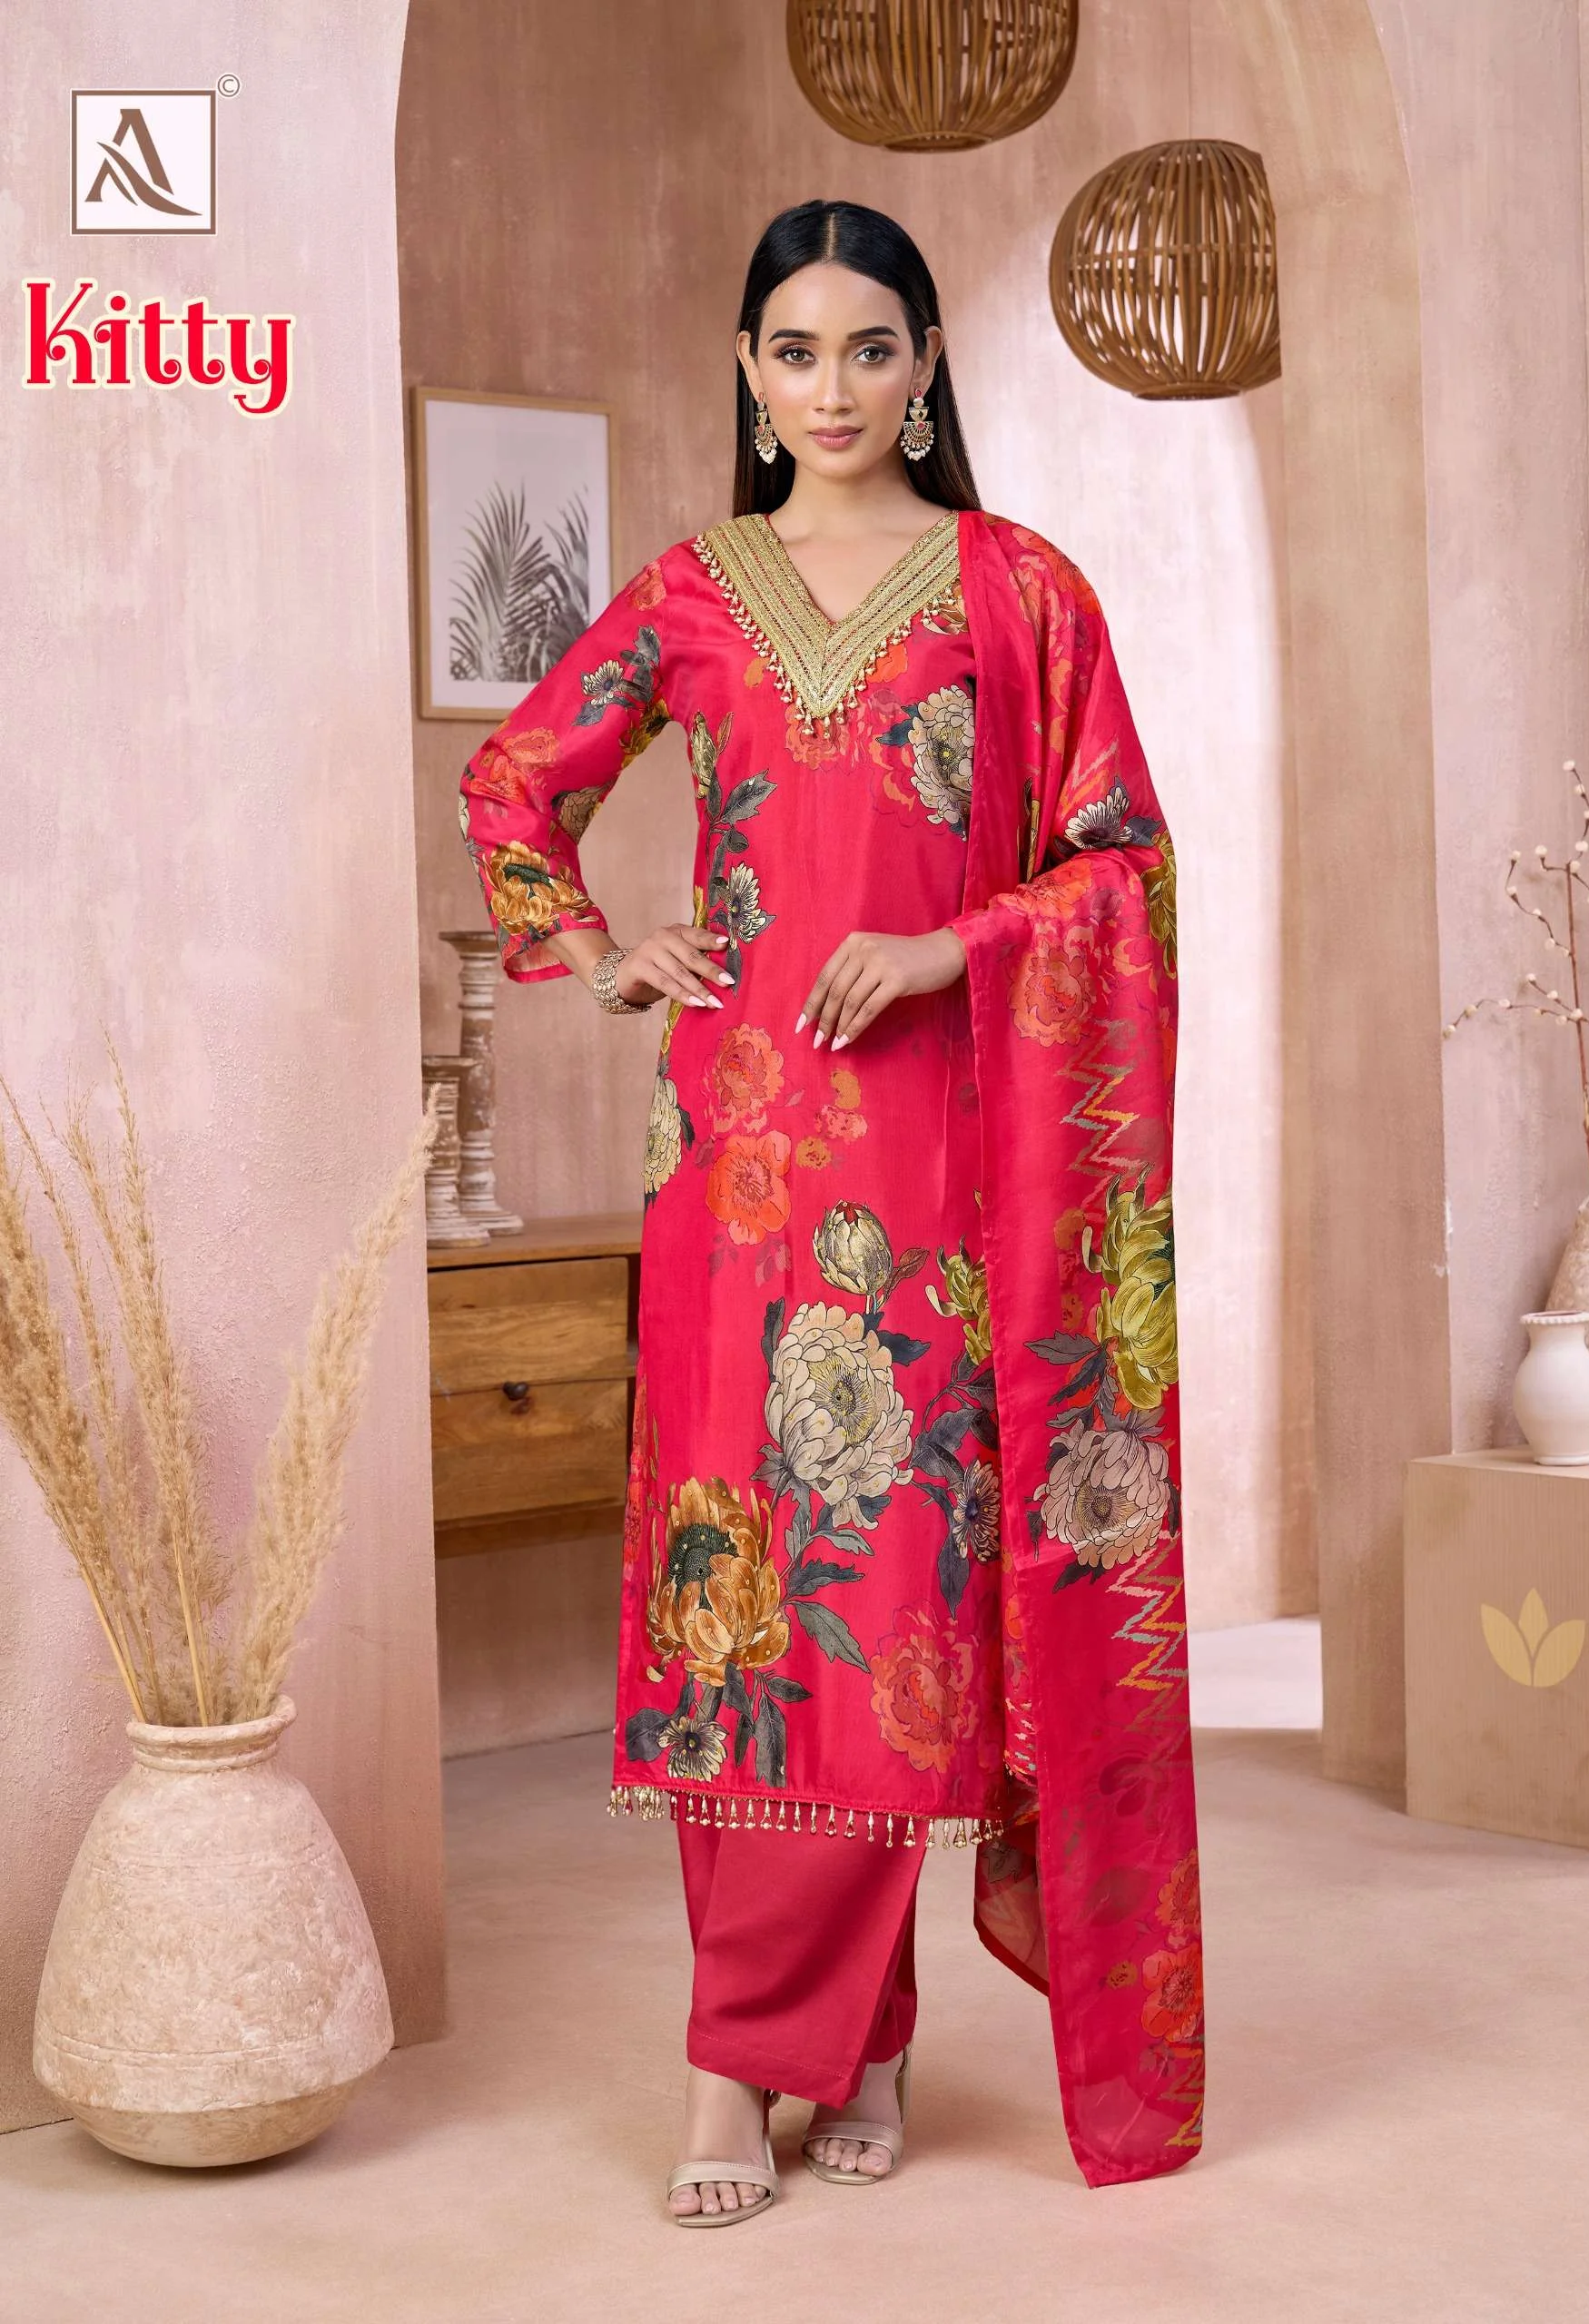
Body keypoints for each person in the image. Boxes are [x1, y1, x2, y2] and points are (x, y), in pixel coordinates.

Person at [459, 200, 1202, 2225]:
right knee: (740, 1606)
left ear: (927, 364)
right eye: (793, 351)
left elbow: (1121, 865)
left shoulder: (1017, 589)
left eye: (870, 348)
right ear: (748, 371)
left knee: (889, 1608)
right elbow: (517, 782)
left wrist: (958, 943)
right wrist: (597, 949)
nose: (833, 388)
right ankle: (779, 2052)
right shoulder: (694, 594)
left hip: (942, 1175)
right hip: (733, 1167)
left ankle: (804, 2051)